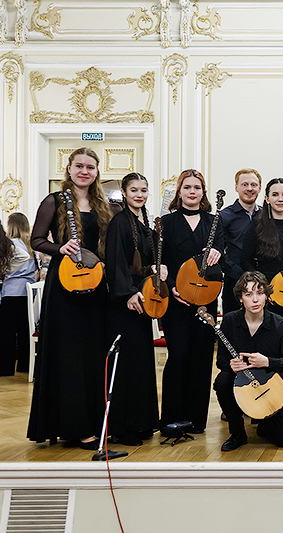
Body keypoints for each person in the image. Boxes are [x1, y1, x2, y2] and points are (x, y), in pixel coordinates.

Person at [27, 147, 113, 449]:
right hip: (63, 287)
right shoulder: (54, 201)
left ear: (97, 171)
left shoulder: (103, 205)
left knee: (92, 354)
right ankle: (75, 427)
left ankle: (94, 421)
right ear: (69, 168)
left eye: (90, 167)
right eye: (79, 166)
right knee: (69, 356)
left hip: (95, 287)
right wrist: (59, 248)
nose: (84, 172)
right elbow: (36, 240)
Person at [104, 173, 165, 445]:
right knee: (126, 365)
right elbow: (115, 261)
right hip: (125, 304)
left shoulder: (145, 223)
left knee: (141, 362)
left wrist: (155, 269)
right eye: (134, 190)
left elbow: (143, 262)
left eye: (143, 190)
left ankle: (141, 423)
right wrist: (127, 293)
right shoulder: (119, 222)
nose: (139, 195)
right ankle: (123, 427)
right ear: (124, 192)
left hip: (142, 300)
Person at [160, 169, 224, 432]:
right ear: (179, 192)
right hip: (176, 301)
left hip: (205, 300)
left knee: (201, 357)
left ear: (203, 192)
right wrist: (171, 287)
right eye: (187, 187)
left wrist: (218, 252)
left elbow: (220, 261)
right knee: (178, 356)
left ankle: (196, 421)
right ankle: (171, 419)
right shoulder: (166, 223)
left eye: (197, 187)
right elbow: (161, 262)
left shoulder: (215, 222)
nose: (192, 192)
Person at [214, 271, 283, 451]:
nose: (255, 299)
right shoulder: (230, 321)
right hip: (245, 383)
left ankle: (265, 423)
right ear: (240, 298)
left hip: (275, 385)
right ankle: (237, 434)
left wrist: (268, 362)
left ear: (267, 296)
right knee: (222, 381)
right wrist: (231, 365)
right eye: (248, 294)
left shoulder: (279, 323)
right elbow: (221, 359)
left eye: (260, 293)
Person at [240, 177, 283, 326]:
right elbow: (245, 260)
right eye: (275, 195)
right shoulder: (257, 226)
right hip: (266, 292)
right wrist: (261, 288)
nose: (280, 199)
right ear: (267, 199)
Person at [0, 212, 37, 376]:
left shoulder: (10, 244)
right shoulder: (31, 245)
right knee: (25, 329)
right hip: (29, 291)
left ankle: (4, 368)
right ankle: (25, 364)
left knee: (7, 331)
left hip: (11, 290)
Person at [220, 168, 262, 314]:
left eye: (253, 185)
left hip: (262, 283)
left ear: (259, 188)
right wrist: (240, 275)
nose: (249, 188)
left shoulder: (266, 216)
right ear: (236, 187)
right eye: (244, 184)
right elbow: (219, 252)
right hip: (234, 281)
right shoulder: (224, 216)